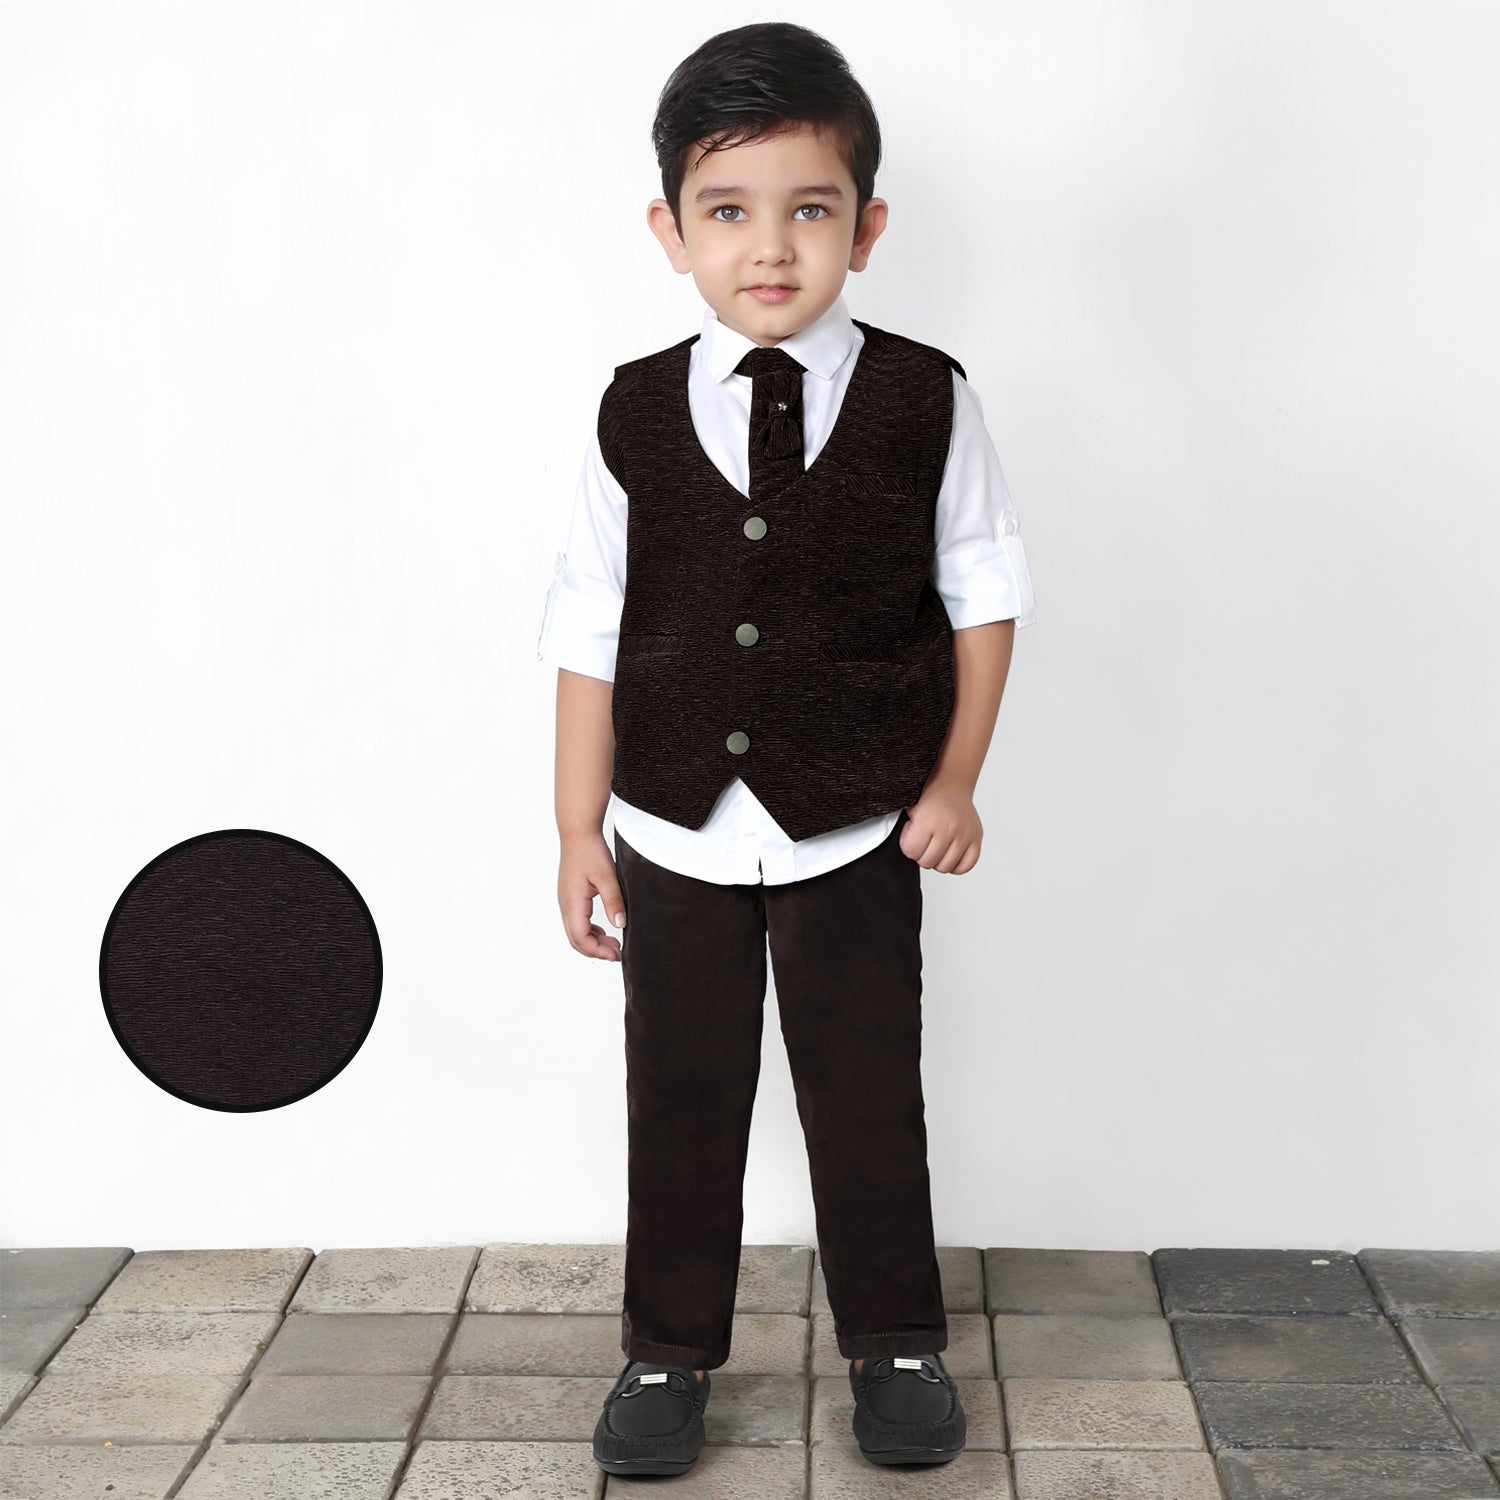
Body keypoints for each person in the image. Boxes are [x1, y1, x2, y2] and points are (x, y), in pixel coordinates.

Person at [535, 20, 1035, 1477]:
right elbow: (588, 623)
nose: (771, 246)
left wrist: (953, 781)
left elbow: (983, 595)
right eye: (728, 210)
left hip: (857, 821)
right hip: (674, 826)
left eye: (811, 208)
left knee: (866, 1090)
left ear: (866, 228)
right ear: (671, 232)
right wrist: (575, 828)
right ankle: (665, 1352)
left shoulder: (927, 397)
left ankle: (896, 1342)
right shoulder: (633, 409)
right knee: (681, 1095)